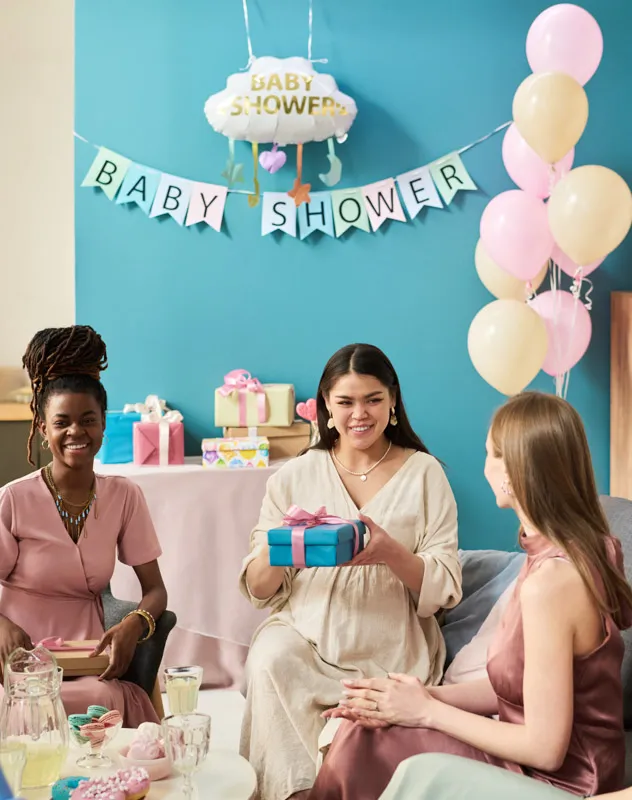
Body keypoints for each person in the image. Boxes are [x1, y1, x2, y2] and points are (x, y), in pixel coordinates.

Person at [311, 391, 632, 799]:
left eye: (490, 454)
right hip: (546, 758)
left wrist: (427, 712)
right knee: (368, 726)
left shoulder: (551, 583)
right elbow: (519, 687)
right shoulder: (579, 548)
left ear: (514, 472)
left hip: (557, 780)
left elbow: (545, 749)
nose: (485, 466)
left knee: (365, 741)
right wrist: (416, 696)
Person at [238, 343, 462, 799]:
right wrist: (287, 546)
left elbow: (446, 585)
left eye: (373, 399)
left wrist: (390, 553)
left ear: (393, 400)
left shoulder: (425, 474)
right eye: (345, 402)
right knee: (270, 656)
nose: (360, 414)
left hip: (391, 642)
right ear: (325, 407)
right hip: (307, 636)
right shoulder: (293, 476)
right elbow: (259, 589)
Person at [0, 325, 167, 727]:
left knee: (100, 696)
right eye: (62, 422)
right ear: (44, 429)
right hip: (15, 652)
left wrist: (134, 624)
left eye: (87, 420)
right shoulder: (13, 499)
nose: (76, 432)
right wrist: (2, 625)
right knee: (22, 704)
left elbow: (156, 590)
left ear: (104, 424)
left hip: (85, 653)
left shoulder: (124, 496)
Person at [380, 754, 632, 800]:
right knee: (424, 773)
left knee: (428, 775)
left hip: (572, 776)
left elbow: (546, 751)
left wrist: (427, 709)